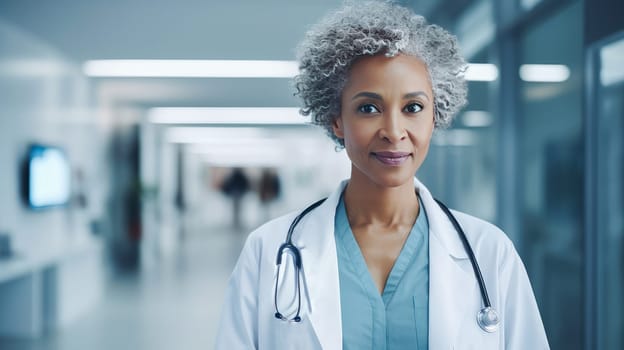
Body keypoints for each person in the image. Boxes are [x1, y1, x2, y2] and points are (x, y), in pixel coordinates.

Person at [216, 1, 549, 349]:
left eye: (413, 108)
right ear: (336, 119)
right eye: (368, 108)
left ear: (436, 117)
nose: (393, 131)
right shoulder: (269, 250)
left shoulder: (489, 251)